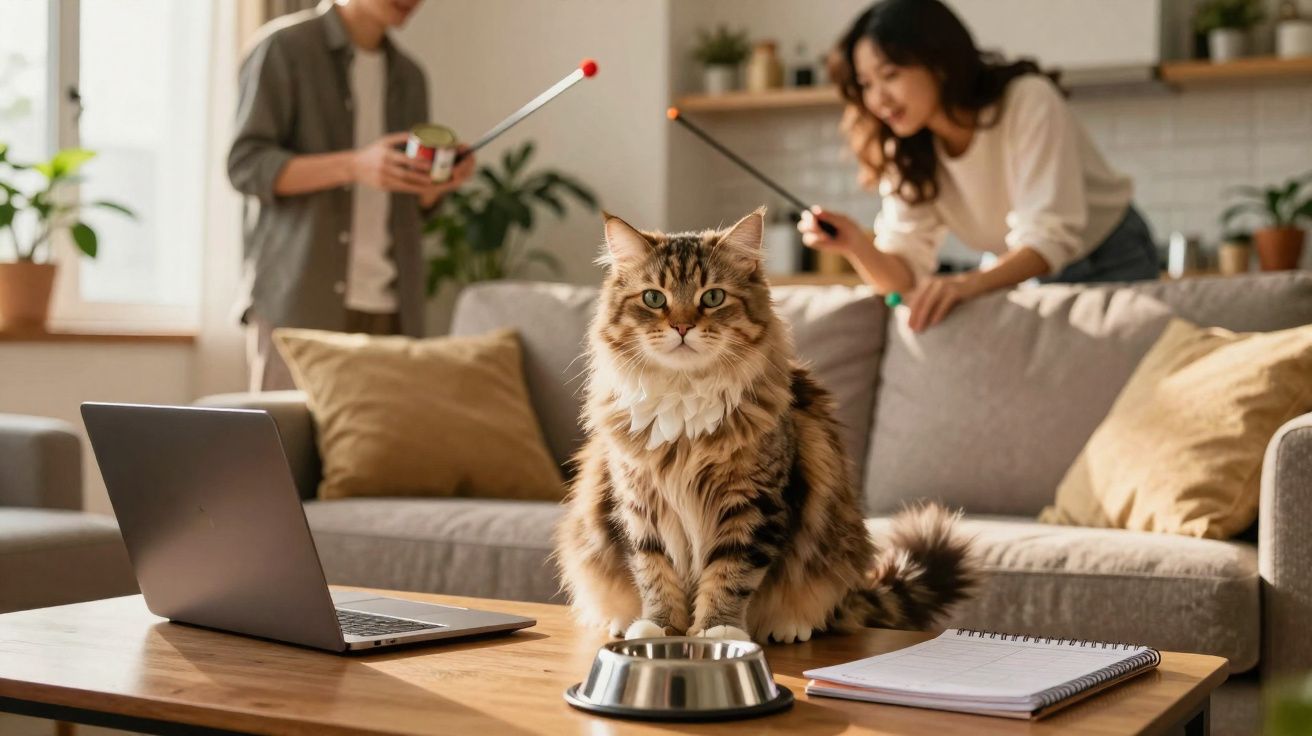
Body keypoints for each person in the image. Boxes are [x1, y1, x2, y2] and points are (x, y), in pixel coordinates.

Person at [799, 0, 1159, 332]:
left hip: (1109, 254)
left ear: (938, 63)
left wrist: (970, 283)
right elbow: (905, 276)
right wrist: (854, 245)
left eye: (890, 75)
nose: (878, 99)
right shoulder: (907, 148)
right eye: (866, 84)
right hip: (1019, 268)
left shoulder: (1027, 100)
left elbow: (1050, 235)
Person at [228, 0, 475, 391]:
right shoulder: (284, 48)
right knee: (283, 448)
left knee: (388, 451)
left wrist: (435, 187)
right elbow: (246, 165)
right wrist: (355, 166)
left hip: (393, 309)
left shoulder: (410, 76)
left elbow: (413, 206)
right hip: (299, 302)